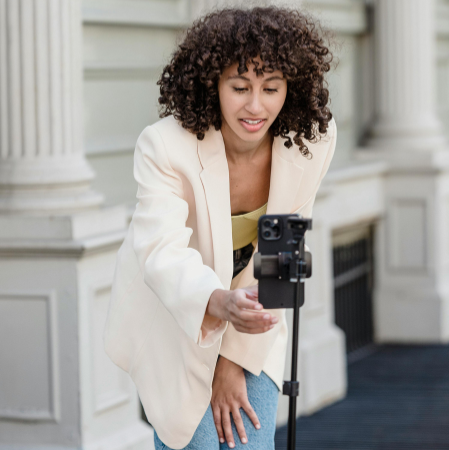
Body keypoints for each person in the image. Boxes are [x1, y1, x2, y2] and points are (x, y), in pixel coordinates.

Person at [103, 5, 338, 450]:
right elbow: (161, 251)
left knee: (249, 441)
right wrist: (217, 303)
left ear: (292, 86)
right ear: (212, 84)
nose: (256, 106)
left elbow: (281, 249)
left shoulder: (311, 140)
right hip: (177, 308)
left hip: (255, 309)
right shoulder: (165, 145)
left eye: (271, 88)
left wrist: (232, 361)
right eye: (239, 87)